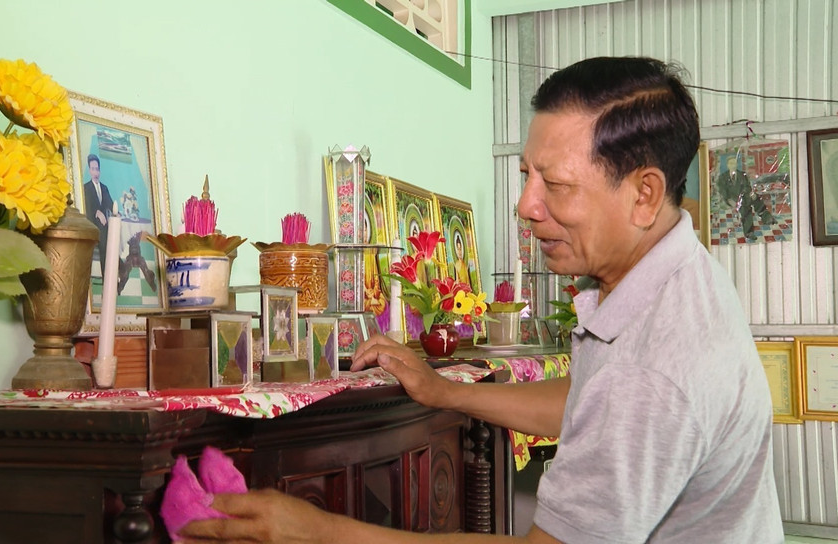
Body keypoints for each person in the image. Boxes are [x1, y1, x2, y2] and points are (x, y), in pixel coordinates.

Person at [176, 57, 783, 544]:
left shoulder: (659, 362)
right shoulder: (677, 271)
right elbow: (587, 400)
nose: (527, 206)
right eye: (527, 176)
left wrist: (317, 531)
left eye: (558, 185)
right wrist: (446, 393)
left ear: (644, 194)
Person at [716, 153, 774, 240]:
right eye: (731, 163)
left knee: (756, 198)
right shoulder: (722, 177)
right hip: (732, 198)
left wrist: (751, 193)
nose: (733, 165)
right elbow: (722, 191)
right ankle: (749, 233)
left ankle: (767, 218)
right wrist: (728, 199)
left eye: (735, 163)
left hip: (743, 195)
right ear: (727, 165)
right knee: (746, 208)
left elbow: (747, 186)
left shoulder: (742, 174)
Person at [83, 153, 117, 276]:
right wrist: (96, 212)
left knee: (111, 235)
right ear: (89, 170)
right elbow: (87, 207)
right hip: (92, 223)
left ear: (100, 171)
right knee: (104, 237)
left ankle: (112, 273)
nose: (95, 172)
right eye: (93, 169)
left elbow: (110, 203)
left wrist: (117, 213)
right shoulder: (85, 188)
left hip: (103, 225)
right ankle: (107, 276)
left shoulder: (104, 188)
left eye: (97, 169)